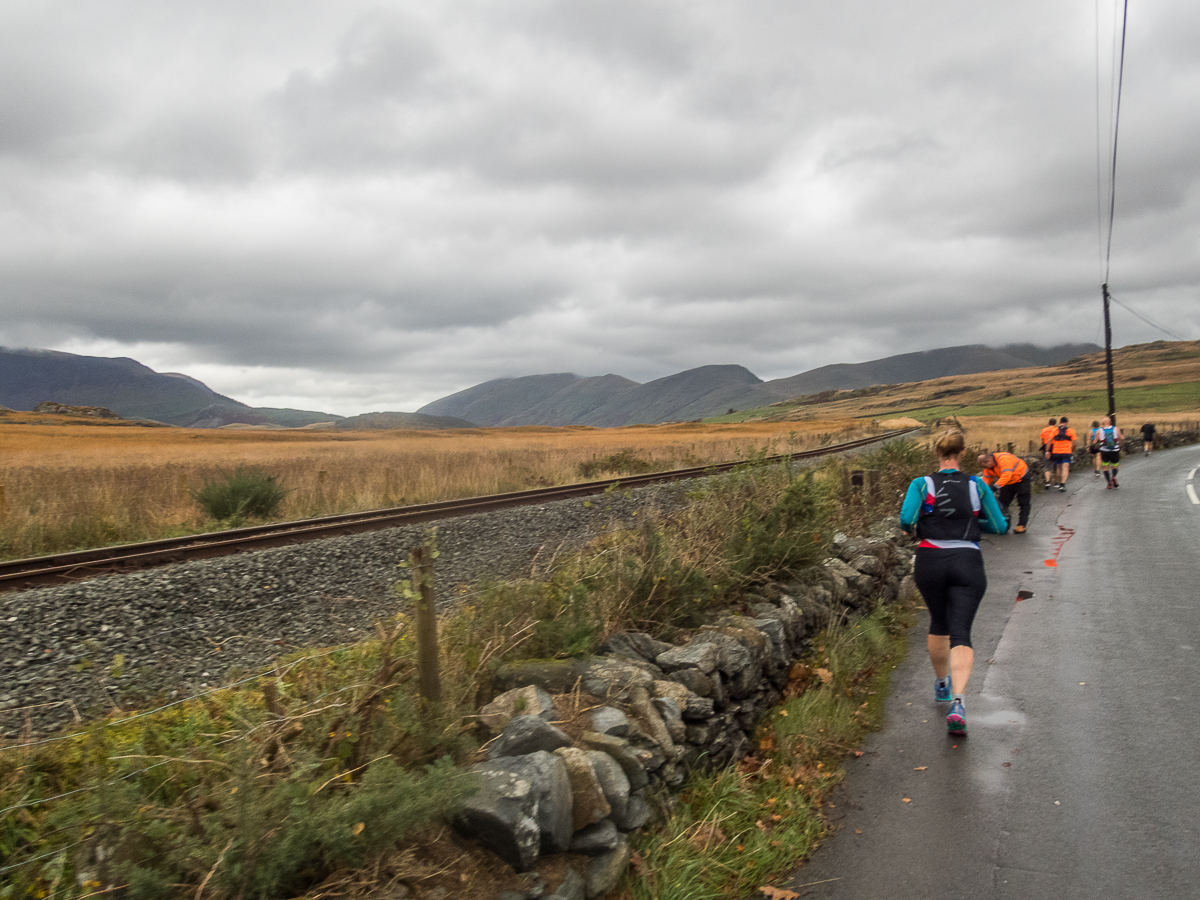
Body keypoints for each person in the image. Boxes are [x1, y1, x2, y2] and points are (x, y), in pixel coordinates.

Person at [901, 431, 1008, 736]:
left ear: (937, 454)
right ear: (962, 454)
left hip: (930, 560)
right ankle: (958, 703)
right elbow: (999, 526)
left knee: (938, 621)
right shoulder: (977, 484)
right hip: (967, 561)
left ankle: (942, 685)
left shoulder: (922, 484)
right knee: (961, 631)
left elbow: (905, 520)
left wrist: (920, 526)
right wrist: (976, 524)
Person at [978, 450, 1032, 533]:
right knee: (1003, 502)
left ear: (989, 461)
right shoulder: (988, 467)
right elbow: (986, 480)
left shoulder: (1004, 459)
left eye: (985, 465)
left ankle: (1021, 525)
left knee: (1023, 502)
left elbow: (1006, 476)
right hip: (1008, 481)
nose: (984, 468)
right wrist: (982, 491)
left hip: (1021, 478)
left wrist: (994, 488)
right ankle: (1003, 523)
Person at [1048, 416, 1077, 492]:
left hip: (1056, 452)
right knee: (1065, 468)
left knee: (1058, 468)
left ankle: (1057, 482)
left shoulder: (1055, 430)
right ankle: (1062, 484)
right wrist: (1071, 450)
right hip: (1066, 452)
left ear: (1060, 422)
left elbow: (1049, 441)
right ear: (1066, 423)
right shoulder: (1070, 430)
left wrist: (1048, 451)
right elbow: (1074, 444)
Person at [1098, 416, 1123, 488]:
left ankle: (1109, 482)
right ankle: (1114, 476)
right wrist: (1121, 446)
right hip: (1114, 450)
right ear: (1110, 422)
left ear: (1103, 423)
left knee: (1105, 467)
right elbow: (1121, 437)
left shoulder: (1100, 430)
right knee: (1115, 466)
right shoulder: (1115, 429)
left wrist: (1097, 445)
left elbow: (1096, 442)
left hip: (1104, 451)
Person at [1039, 418, 1059, 490]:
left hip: (1046, 448)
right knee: (1056, 466)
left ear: (1048, 423)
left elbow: (1042, 441)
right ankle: (1056, 483)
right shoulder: (1057, 429)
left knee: (1047, 465)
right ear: (1055, 423)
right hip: (1056, 448)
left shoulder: (1044, 430)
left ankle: (1047, 482)